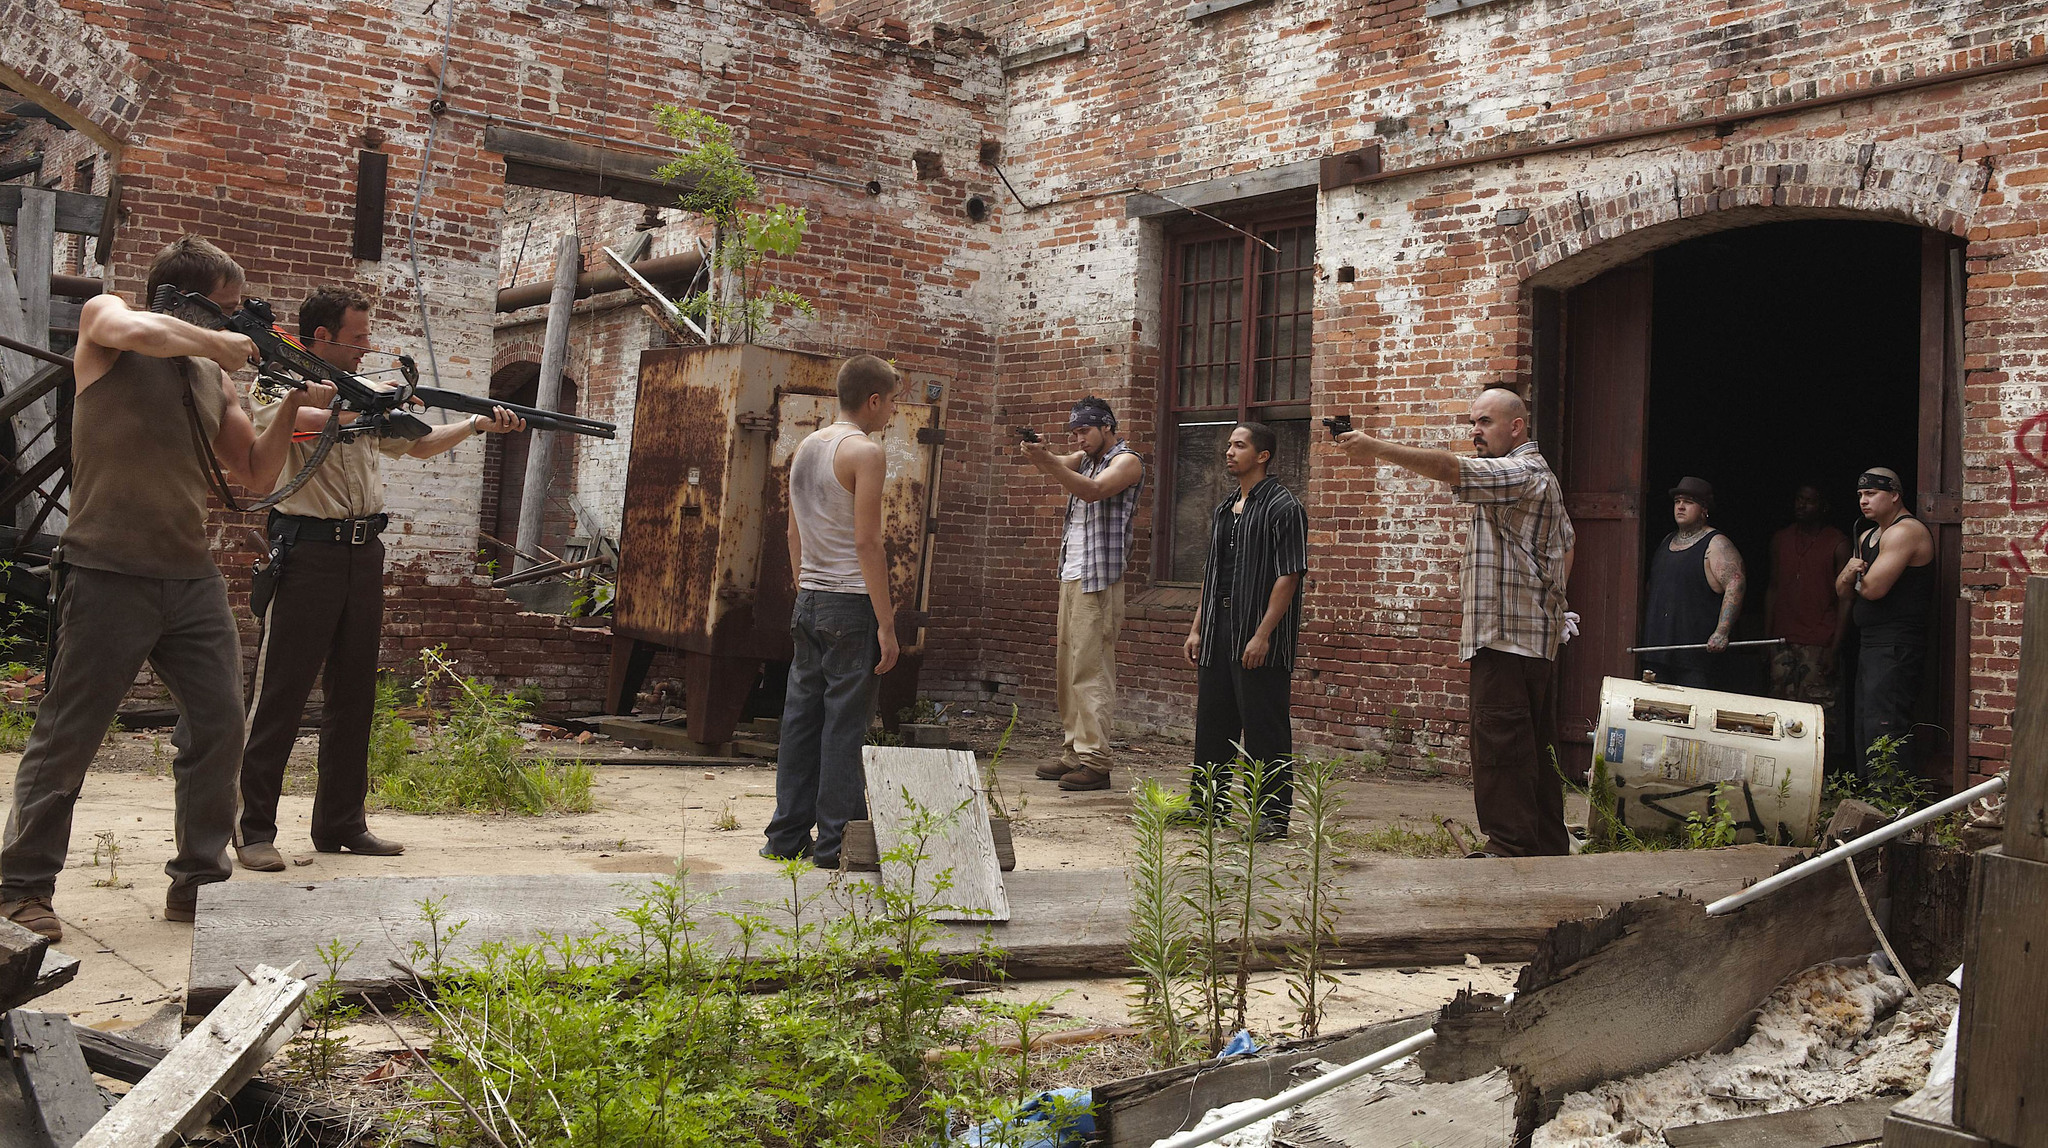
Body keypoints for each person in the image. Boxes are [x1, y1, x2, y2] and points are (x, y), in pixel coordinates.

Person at [0, 237, 335, 940]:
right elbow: (132, 328)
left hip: (190, 577)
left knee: (219, 726)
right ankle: (21, 889)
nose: (238, 324)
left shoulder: (214, 379)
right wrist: (216, 341)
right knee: (69, 734)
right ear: (183, 299)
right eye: (228, 308)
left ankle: (199, 885)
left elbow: (255, 473)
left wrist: (296, 409)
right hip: (103, 568)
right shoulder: (108, 321)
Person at [233, 286, 526, 872]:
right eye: (358, 337)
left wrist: (473, 424)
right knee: (281, 696)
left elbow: (415, 446)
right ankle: (253, 829)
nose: (368, 348)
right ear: (322, 338)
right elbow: (301, 426)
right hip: (307, 550)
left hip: (364, 552)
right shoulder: (275, 384)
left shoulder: (363, 397)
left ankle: (341, 823)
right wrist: (371, 405)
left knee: (355, 695)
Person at [1337, 385, 1575, 858]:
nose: (1474, 432)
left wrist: (1375, 448)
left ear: (1516, 426)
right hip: (1529, 636)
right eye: (1472, 423)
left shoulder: (1523, 471)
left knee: (1499, 743)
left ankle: (1509, 848)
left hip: (1506, 636)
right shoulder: (1538, 476)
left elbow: (1450, 468)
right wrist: (1553, 601)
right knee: (1532, 747)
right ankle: (1546, 844)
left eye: (1484, 422)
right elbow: (1569, 541)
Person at [762, 355, 902, 870]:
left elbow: (792, 532)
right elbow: (868, 542)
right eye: (891, 401)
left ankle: (785, 837)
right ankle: (836, 844)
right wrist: (886, 624)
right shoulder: (866, 452)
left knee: (801, 718)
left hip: (811, 599)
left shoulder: (807, 446)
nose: (892, 410)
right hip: (850, 603)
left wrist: (806, 585)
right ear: (873, 400)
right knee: (845, 722)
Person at [1178, 422, 1307, 841]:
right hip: (1218, 632)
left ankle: (1271, 817)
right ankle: (1206, 808)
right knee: (1213, 725)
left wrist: (1263, 634)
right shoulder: (1224, 508)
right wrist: (1197, 628)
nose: (1229, 452)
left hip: (1259, 637)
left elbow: (1289, 576)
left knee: (1265, 728)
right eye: (1229, 445)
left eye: (1239, 445)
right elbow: (1212, 574)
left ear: (1263, 455)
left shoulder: (1283, 507)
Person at [1019, 396, 1144, 792]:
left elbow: (1091, 491)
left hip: (1099, 580)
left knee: (1091, 669)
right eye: (1074, 431)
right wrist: (1039, 453)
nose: (1079, 438)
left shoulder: (1126, 461)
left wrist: (1048, 460)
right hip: (1072, 576)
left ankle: (1096, 760)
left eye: (1084, 430)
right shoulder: (1085, 456)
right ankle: (1074, 750)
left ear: (1107, 426)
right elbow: (1057, 462)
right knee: (1067, 668)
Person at [1835, 466, 1935, 774]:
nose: (1863, 501)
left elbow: (1873, 589)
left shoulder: (1906, 531)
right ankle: (1870, 798)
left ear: (1894, 496)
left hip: (1896, 643)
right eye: (1860, 495)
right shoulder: (1866, 535)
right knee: (1866, 720)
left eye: (1871, 494)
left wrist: (1852, 576)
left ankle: (1894, 804)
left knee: (1886, 721)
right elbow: (1843, 592)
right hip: (1870, 641)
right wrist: (1850, 575)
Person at [1764, 483, 1852, 765]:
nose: (1802, 506)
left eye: (1810, 501)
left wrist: (1835, 648)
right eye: (1799, 499)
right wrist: (1767, 638)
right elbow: (1773, 587)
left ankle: (1821, 777)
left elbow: (1846, 599)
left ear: (1824, 506)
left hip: (1819, 641)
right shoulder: (1781, 539)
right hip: (1782, 640)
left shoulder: (1838, 543)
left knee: (1819, 715)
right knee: (1780, 713)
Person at [1639, 477, 1746, 691]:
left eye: (1688, 502)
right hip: (1657, 653)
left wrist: (1722, 631)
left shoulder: (1715, 544)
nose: (1680, 506)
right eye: (1677, 501)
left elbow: (1736, 584)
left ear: (1704, 509)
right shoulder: (1666, 542)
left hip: (1695, 658)